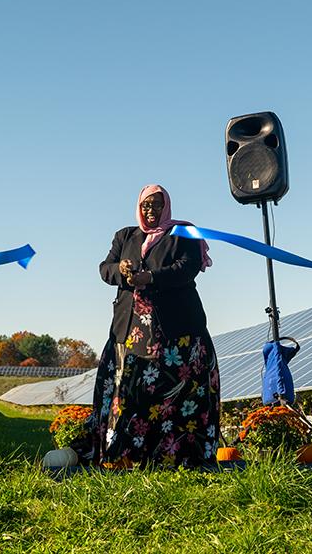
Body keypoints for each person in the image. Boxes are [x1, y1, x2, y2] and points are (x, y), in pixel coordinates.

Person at [85, 184, 219, 467]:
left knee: (177, 394)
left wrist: (151, 278)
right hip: (130, 331)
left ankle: (178, 456)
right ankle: (125, 455)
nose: (151, 211)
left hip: (176, 332)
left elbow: (187, 267)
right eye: (146, 205)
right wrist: (121, 270)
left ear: (166, 206)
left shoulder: (182, 233)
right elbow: (104, 268)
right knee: (130, 393)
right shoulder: (125, 236)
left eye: (157, 205)